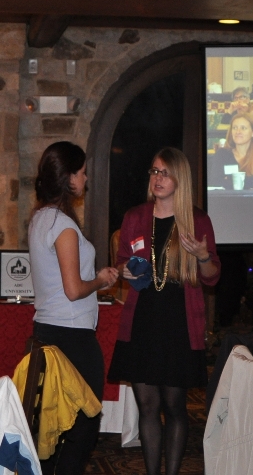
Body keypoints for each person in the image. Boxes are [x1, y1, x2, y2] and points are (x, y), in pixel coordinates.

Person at [108, 147, 221, 475]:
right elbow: (122, 263)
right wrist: (126, 270)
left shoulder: (198, 220)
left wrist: (202, 256)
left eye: (165, 173)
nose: (157, 178)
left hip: (178, 322)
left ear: (179, 179)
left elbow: (212, 276)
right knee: (147, 405)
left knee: (174, 406)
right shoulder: (135, 217)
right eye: (154, 171)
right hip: (142, 319)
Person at [28, 141, 119, 474]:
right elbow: (73, 289)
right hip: (72, 337)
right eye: (81, 172)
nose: (86, 179)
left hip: (46, 332)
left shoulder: (39, 218)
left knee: (51, 425)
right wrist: (100, 280)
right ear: (68, 178)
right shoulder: (63, 226)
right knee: (85, 423)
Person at [208, 114, 253, 189]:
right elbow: (215, 182)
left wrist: (229, 179)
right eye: (235, 128)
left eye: (243, 128)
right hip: (228, 197)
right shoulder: (222, 154)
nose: (238, 132)